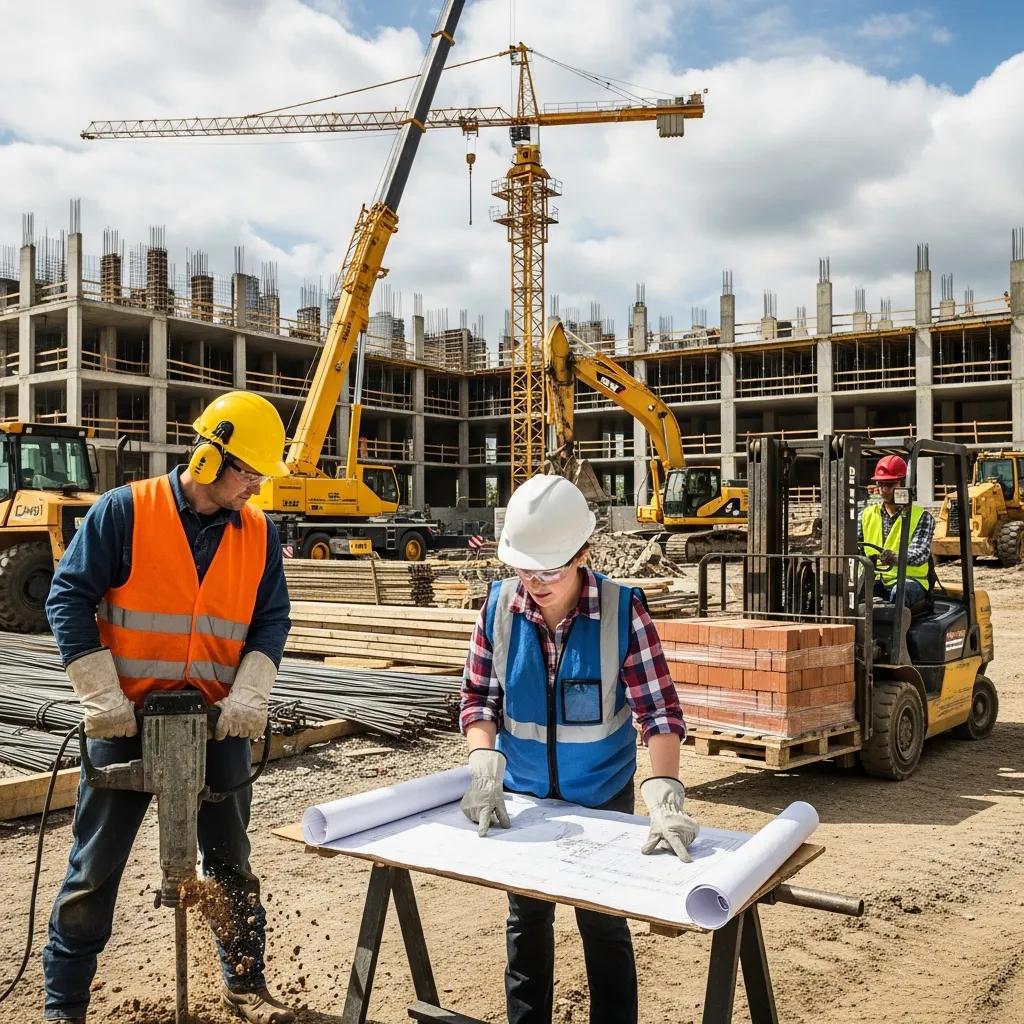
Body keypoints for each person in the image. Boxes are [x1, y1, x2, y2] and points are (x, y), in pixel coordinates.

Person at [42, 391, 296, 1024]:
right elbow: (68, 597)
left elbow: (271, 620)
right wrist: (100, 695)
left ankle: (244, 984)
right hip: (125, 722)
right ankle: (64, 1005)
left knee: (231, 862)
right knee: (93, 869)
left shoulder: (259, 533)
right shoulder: (125, 512)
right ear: (209, 459)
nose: (256, 488)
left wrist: (250, 693)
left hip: (218, 723)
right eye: (249, 472)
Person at [459, 474, 698, 1024]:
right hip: (525, 799)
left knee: (602, 922)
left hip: (602, 794)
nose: (536, 583)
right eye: (524, 569)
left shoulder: (622, 611)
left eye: (551, 570)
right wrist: (482, 763)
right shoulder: (498, 609)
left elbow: (659, 710)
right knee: (527, 921)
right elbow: (478, 698)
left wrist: (664, 789)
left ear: (584, 554)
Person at [858, 454, 935, 606]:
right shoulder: (865, 515)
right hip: (876, 579)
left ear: (904, 484)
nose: (884, 490)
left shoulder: (921, 517)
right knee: (850, 593)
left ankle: (896, 629)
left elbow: (920, 553)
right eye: (881, 485)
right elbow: (851, 544)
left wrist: (896, 557)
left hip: (910, 581)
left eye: (890, 484)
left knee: (900, 591)